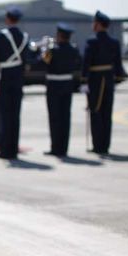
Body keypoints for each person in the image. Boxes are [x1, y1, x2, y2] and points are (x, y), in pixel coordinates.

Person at [81, 11, 128, 155]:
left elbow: (86, 63)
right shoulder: (114, 42)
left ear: (98, 24)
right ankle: (105, 146)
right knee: (107, 114)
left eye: (94, 22)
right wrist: (118, 78)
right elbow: (118, 65)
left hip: (95, 80)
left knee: (96, 112)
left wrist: (84, 80)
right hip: (109, 80)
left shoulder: (92, 41)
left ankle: (98, 146)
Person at [0, 6, 30, 159]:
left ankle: (5, 150)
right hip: (18, 77)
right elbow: (27, 59)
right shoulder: (24, 37)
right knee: (15, 115)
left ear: (7, 18)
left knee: (5, 115)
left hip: (5, 76)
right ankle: (13, 149)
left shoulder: (2, 35)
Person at [42, 23, 82, 157]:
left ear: (59, 35)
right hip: (67, 85)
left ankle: (55, 148)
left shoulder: (52, 50)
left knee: (54, 118)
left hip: (53, 85)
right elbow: (78, 64)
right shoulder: (73, 50)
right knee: (65, 117)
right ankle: (64, 148)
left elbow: (41, 62)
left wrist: (45, 49)